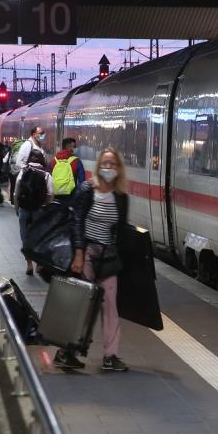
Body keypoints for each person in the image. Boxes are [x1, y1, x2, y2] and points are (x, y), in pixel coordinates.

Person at [57, 148, 130, 372]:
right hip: (87, 253)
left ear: (119, 169)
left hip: (108, 257)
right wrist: (78, 254)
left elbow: (120, 229)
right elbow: (76, 221)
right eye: (105, 164)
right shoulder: (87, 189)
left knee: (110, 308)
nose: (108, 168)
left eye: (113, 164)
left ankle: (110, 355)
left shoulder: (120, 196)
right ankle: (65, 352)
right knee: (83, 304)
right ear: (99, 166)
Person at [15, 149, 54, 276]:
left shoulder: (23, 171)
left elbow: (17, 192)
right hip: (39, 209)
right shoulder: (46, 175)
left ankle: (29, 264)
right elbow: (50, 194)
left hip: (24, 208)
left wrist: (17, 207)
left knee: (25, 236)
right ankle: (39, 264)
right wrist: (46, 206)